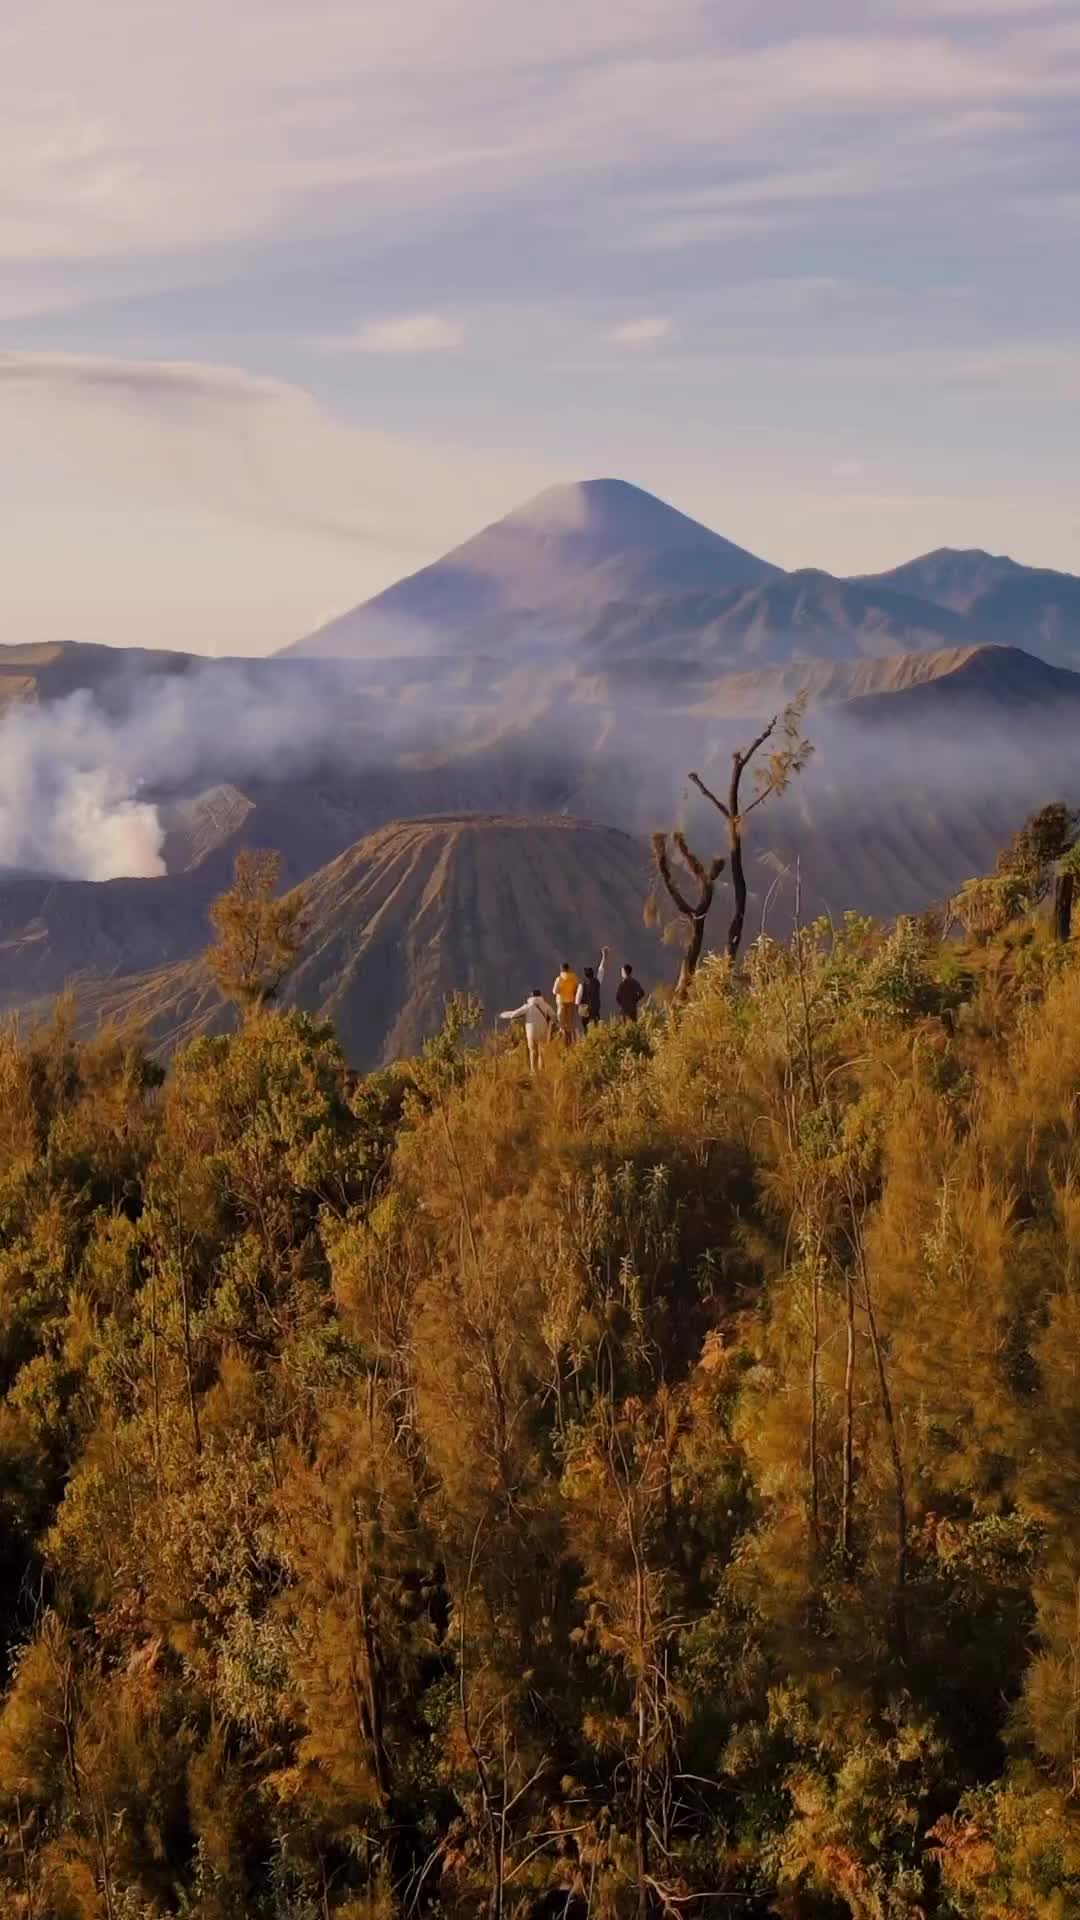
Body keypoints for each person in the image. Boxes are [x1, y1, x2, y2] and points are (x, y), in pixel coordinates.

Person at [499, 988, 555, 1073]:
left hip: (531, 1032)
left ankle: (533, 1071)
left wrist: (502, 1015)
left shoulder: (528, 1006)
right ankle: (542, 1069)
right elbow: (554, 1016)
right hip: (543, 1031)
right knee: (542, 1051)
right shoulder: (546, 1005)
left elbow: (514, 1014)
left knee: (533, 1051)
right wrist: (550, 1024)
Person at [576, 946, 609, 1034]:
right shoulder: (597, 982)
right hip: (595, 1008)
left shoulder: (582, 985)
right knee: (596, 1024)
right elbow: (601, 970)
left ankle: (587, 1038)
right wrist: (604, 957)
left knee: (585, 1026)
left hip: (585, 1009)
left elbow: (577, 1000)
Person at [552, 962, 580, 1046]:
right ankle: (571, 1041)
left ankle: (562, 1042)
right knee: (570, 1023)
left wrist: (561, 990)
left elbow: (554, 991)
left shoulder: (559, 978)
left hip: (561, 1003)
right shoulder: (574, 977)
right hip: (571, 1002)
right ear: (569, 969)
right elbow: (577, 988)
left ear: (561, 969)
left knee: (561, 1024)